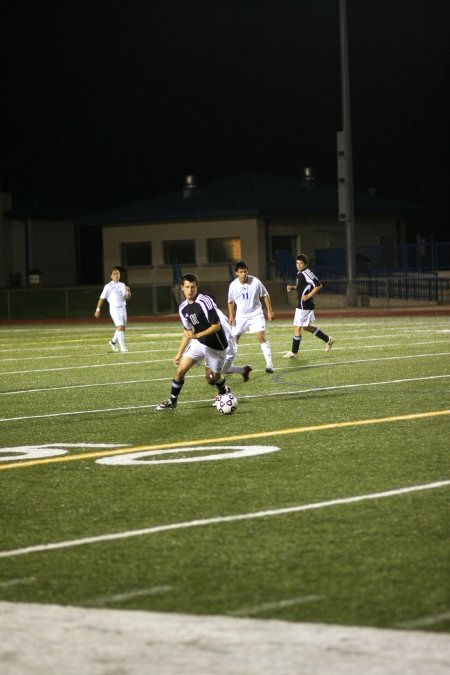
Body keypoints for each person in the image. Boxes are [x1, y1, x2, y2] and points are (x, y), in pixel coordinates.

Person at [156, 273, 232, 410]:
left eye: (193, 287)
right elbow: (187, 332)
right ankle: (172, 400)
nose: (190, 290)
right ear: (182, 288)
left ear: (197, 287)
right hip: (199, 342)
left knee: (213, 377)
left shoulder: (204, 301)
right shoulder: (182, 308)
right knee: (180, 370)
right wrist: (179, 354)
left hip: (216, 345)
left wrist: (198, 335)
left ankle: (224, 392)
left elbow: (216, 326)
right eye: (187, 287)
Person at [283, 254, 335, 358]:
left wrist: (308, 295)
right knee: (306, 327)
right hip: (303, 304)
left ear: (305, 264)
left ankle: (294, 352)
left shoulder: (306, 273)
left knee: (297, 328)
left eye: (301, 263)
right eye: (297, 263)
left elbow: (319, 285)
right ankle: (328, 339)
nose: (298, 265)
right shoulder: (301, 273)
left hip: (304, 304)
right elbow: (303, 286)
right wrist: (293, 287)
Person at [228, 260, 275, 373]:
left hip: (256, 314)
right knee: (234, 339)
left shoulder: (255, 281)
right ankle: (229, 365)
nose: (244, 274)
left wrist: (269, 311)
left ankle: (269, 365)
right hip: (241, 316)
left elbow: (265, 295)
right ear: (236, 273)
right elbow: (230, 301)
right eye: (241, 272)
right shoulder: (233, 285)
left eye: (245, 271)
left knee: (260, 336)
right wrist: (231, 315)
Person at [94, 267, 131, 352]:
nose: (117, 275)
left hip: (123, 307)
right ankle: (123, 348)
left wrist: (128, 291)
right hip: (114, 308)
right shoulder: (108, 286)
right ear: (111, 276)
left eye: (118, 273)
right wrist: (98, 310)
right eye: (114, 274)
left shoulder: (122, 284)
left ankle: (112, 342)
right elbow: (101, 298)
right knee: (120, 327)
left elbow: (127, 297)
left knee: (122, 328)